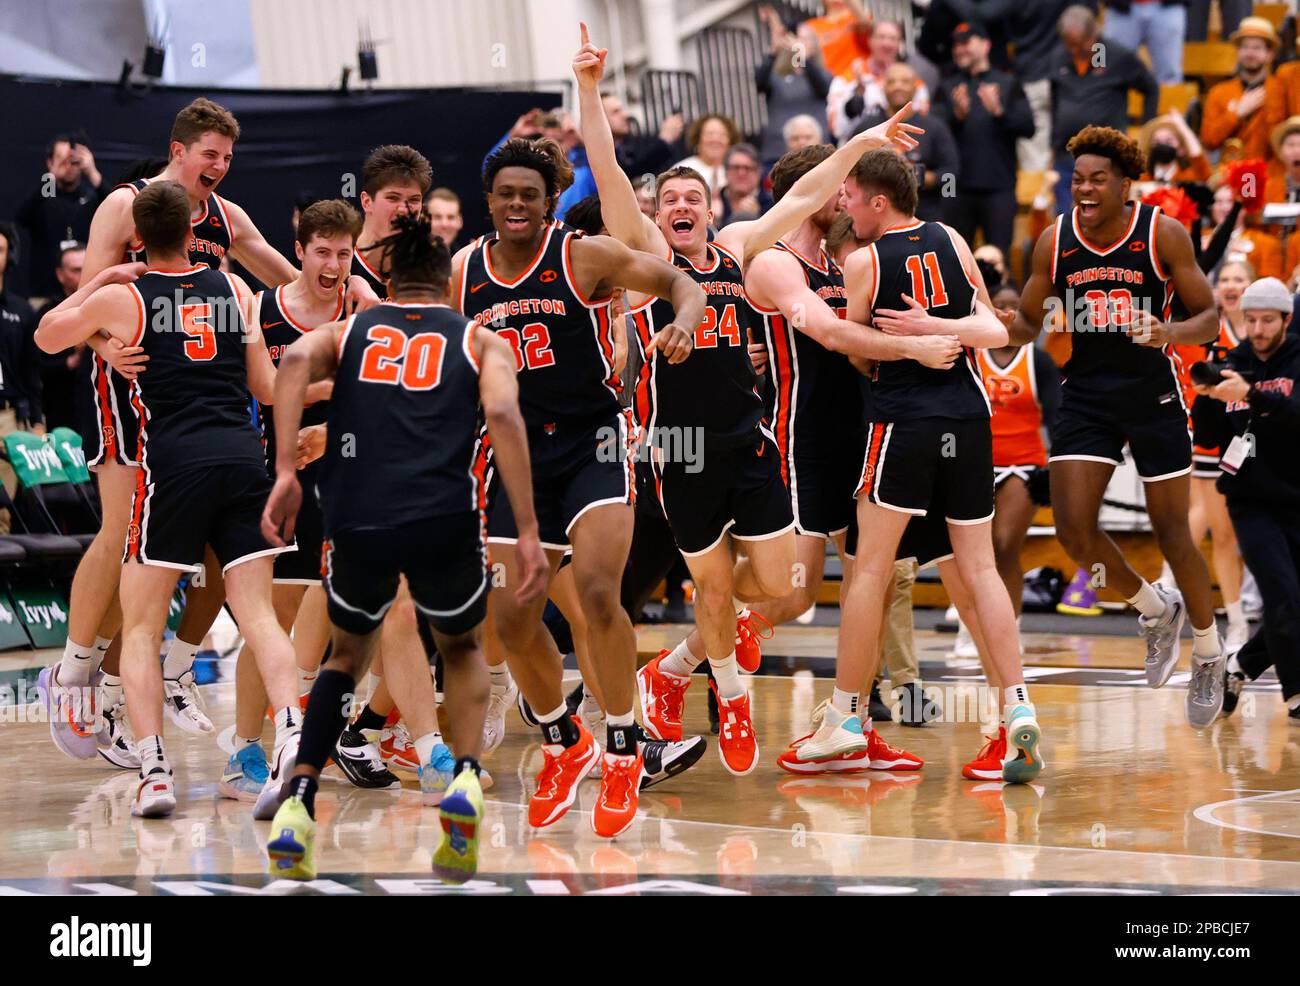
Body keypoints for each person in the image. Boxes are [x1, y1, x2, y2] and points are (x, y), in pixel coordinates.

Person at [575, 24, 925, 773]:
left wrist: (865, 141)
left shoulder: (737, 247)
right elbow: (606, 173)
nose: (680, 204)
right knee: (708, 585)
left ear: (708, 209)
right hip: (680, 450)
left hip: (749, 440)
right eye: (668, 196)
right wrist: (590, 91)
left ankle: (678, 668)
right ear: (656, 211)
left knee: (778, 582)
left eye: (691, 196)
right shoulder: (649, 261)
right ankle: (729, 695)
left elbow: (802, 190)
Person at [42, 98, 372, 759]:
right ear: (177, 150)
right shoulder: (125, 206)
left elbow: (292, 275)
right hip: (129, 385)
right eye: (209, 154)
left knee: (202, 562)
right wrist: (105, 344)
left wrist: (365, 301)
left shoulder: (228, 220)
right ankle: (73, 674)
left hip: (207, 412)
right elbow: (86, 297)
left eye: (227, 155)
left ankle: (150, 677)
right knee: (120, 532)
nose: (219, 165)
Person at [260, 211, 546, 883]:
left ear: (385, 280)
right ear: (447, 284)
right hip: (444, 514)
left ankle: (298, 800)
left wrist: (283, 470)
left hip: (358, 515)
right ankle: (468, 781)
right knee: (463, 647)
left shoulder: (355, 327)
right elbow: (503, 414)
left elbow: (295, 360)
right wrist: (527, 526)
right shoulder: (479, 338)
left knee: (346, 653)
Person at [452, 127, 708, 839]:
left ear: (550, 202)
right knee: (511, 619)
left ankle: (625, 743)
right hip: (516, 453)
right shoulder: (464, 272)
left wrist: (686, 322)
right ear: (489, 200)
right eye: (504, 194)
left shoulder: (583, 255)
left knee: (598, 591)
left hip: (595, 438)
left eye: (529, 196)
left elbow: (677, 280)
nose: (515, 205)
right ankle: (566, 742)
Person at [34, 180, 302, 819]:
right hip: (244, 462)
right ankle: (294, 732)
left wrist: (103, 282)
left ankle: (155, 772)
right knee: (259, 615)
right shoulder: (236, 291)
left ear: (136, 239)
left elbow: (46, 334)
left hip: (172, 469)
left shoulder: (124, 298)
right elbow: (266, 388)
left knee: (144, 624)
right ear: (193, 232)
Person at [813, 148, 1044, 782]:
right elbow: (998, 333)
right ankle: (1016, 707)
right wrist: (941, 328)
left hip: (903, 422)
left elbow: (858, 350)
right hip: (971, 420)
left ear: (877, 202)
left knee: (869, 570)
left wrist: (913, 338)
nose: (846, 209)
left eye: (851, 199)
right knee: (980, 568)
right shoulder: (949, 238)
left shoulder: (862, 261)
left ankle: (845, 717)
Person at [739, 143, 960, 735]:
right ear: (806, 192)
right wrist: (916, 347)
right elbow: (833, 334)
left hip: (863, 430)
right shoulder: (773, 260)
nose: (846, 193)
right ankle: (702, 654)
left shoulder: (853, 259)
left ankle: (857, 712)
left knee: (882, 573)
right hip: (801, 436)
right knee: (793, 592)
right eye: (835, 184)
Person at [1011, 125, 1226, 727]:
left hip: (1153, 393)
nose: (1084, 188)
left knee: (1172, 533)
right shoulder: (1054, 241)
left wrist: (1169, 333)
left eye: (1097, 179)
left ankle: (1210, 651)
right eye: (1077, 179)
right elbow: (1027, 325)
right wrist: (974, 318)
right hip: (1087, 395)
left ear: (1125, 183)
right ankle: (1155, 610)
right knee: (1075, 530)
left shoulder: (1163, 232)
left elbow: (1209, 316)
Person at [1191, 276, 1300, 727]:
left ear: (1286, 319)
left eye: (1267, 320)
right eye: (1250, 319)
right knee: (1284, 599)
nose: (1257, 329)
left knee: (1293, 605)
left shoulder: (1297, 360)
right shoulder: (1231, 363)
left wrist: (1252, 395)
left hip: (1297, 496)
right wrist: (1206, 400)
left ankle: (1239, 666)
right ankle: (1295, 696)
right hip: (1251, 502)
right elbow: (1212, 437)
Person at [950, 282, 1061, 654]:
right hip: (976, 459)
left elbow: (1058, 416)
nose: (1008, 312)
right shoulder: (973, 352)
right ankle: (972, 627)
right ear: (987, 309)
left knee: (1003, 546)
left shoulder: (1038, 359)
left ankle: (1007, 629)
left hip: (1024, 462)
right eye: (1000, 305)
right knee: (971, 552)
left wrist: (1056, 464)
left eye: (1015, 306)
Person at [1171, 259, 1251, 653]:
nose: (1232, 286)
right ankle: (1235, 621)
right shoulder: (1206, 331)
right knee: (1222, 532)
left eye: (1240, 279)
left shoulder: (1266, 332)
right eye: (1226, 280)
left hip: (1261, 442)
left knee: (1216, 524)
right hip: (1212, 443)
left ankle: (1168, 582)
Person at [937, 21, 1034, 256]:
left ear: (986, 45)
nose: (959, 49)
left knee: (998, 258)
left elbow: (1028, 128)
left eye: (966, 43)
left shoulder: (1007, 83)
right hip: (956, 189)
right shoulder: (947, 86)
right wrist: (957, 116)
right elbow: (935, 133)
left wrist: (999, 112)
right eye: (956, 45)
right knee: (956, 259)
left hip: (998, 187)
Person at [1050, 5, 1157, 211]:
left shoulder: (1111, 56)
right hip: (1067, 155)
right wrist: (1053, 143)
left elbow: (1150, 88)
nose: (1073, 50)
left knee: (1101, 217)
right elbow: (1055, 100)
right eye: (1069, 44)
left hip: (1106, 158)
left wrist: (1146, 130)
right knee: (1065, 221)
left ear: (1093, 35)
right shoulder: (1059, 56)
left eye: (1079, 44)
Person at [850, 63, 958, 224]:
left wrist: (911, 173)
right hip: (873, 216)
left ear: (916, 88)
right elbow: (848, 167)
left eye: (905, 81)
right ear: (883, 88)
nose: (898, 87)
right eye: (892, 82)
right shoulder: (867, 127)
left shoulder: (935, 127)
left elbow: (951, 174)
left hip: (924, 214)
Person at [14, 133, 107, 302]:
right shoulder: (46, 195)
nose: (68, 166)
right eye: (61, 159)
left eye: (73, 160)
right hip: (44, 292)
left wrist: (92, 171)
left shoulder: (90, 197)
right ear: (50, 162)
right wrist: (51, 176)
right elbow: (22, 217)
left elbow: (116, 207)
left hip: (84, 293)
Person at [0, 222, 45, 534]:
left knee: (3, 506)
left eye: (0, 250)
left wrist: (38, 420)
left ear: (10, 257)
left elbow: (32, 371)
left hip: (7, 417)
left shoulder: (21, 311)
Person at [827, 19, 929, 143]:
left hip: (899, 150)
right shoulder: (847, 78)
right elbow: (837, 130)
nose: (886, 43)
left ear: (899, 44)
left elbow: (921, 126)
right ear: (870, 41)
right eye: (881, 37)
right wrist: (858, 95)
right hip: (856, 148)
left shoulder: (913, 82)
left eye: (892, 39)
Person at [755, 7, 833, 169]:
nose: (798, 44)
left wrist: (802, 58)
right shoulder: (777, 76)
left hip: (816, 153)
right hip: (778, 152)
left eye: (804, 40)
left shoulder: (822, 74)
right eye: (795, 39)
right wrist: (773, 52)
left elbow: (823, 87)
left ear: (814, 44)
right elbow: (759, 83)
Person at [1200, 16, 1284, 164]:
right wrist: (1236, 114)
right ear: (1238, 52)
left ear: (1270, 54)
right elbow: (1208, 141)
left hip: (1271, 176)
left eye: (1257, 47)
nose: (1250, 53)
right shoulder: (1218, 92)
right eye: (1245, 47)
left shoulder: (1281, 90)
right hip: (1229, 174)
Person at [33, 243, 86, 431]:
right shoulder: (47, 313)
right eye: (75, 270)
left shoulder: (107, 306)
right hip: (61, 411)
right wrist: (72, 360)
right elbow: (35, 368)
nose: (82, 275)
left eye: (86, 268)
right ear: (60, 275)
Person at [1100, 1, 1189, 86]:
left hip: (1168, 8)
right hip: (1120, 8)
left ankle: (1170, 101)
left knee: (1170, 77)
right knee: (1112, 72)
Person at [673, 113, 742, 200]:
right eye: (709, 134)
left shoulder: (740, 170)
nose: (715, 139)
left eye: (722, 135)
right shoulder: (681, 169)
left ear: (730, 141)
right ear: (698, 139)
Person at [718, 143, 773, 225]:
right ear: (726, 172)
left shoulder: (772, 205)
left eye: (748, 168)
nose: (741, 173)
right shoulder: (713, 202)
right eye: (736, 167)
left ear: (758, 172)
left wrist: (758, 218)